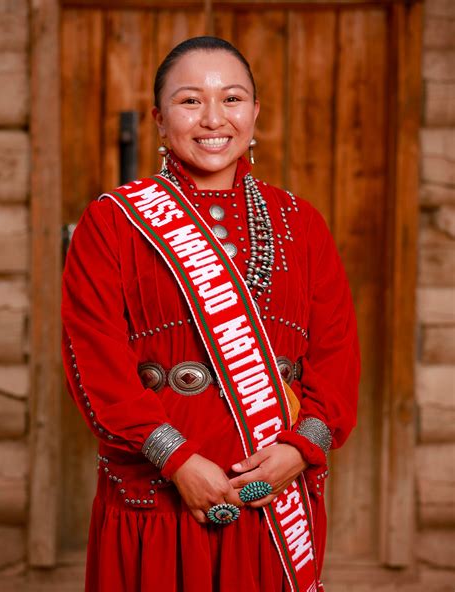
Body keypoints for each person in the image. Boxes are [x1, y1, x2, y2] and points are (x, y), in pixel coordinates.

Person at [61, 36, 360, 592]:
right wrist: (176, 461)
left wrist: (302, 449)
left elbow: (337, 354)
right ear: (159, 118)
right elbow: (95, 362)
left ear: (255, 113)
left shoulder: (303, 221)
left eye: (233, 99)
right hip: (157, 494)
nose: (214, 119)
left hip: (274, 492)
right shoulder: (112, 223)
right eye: (191, 101)